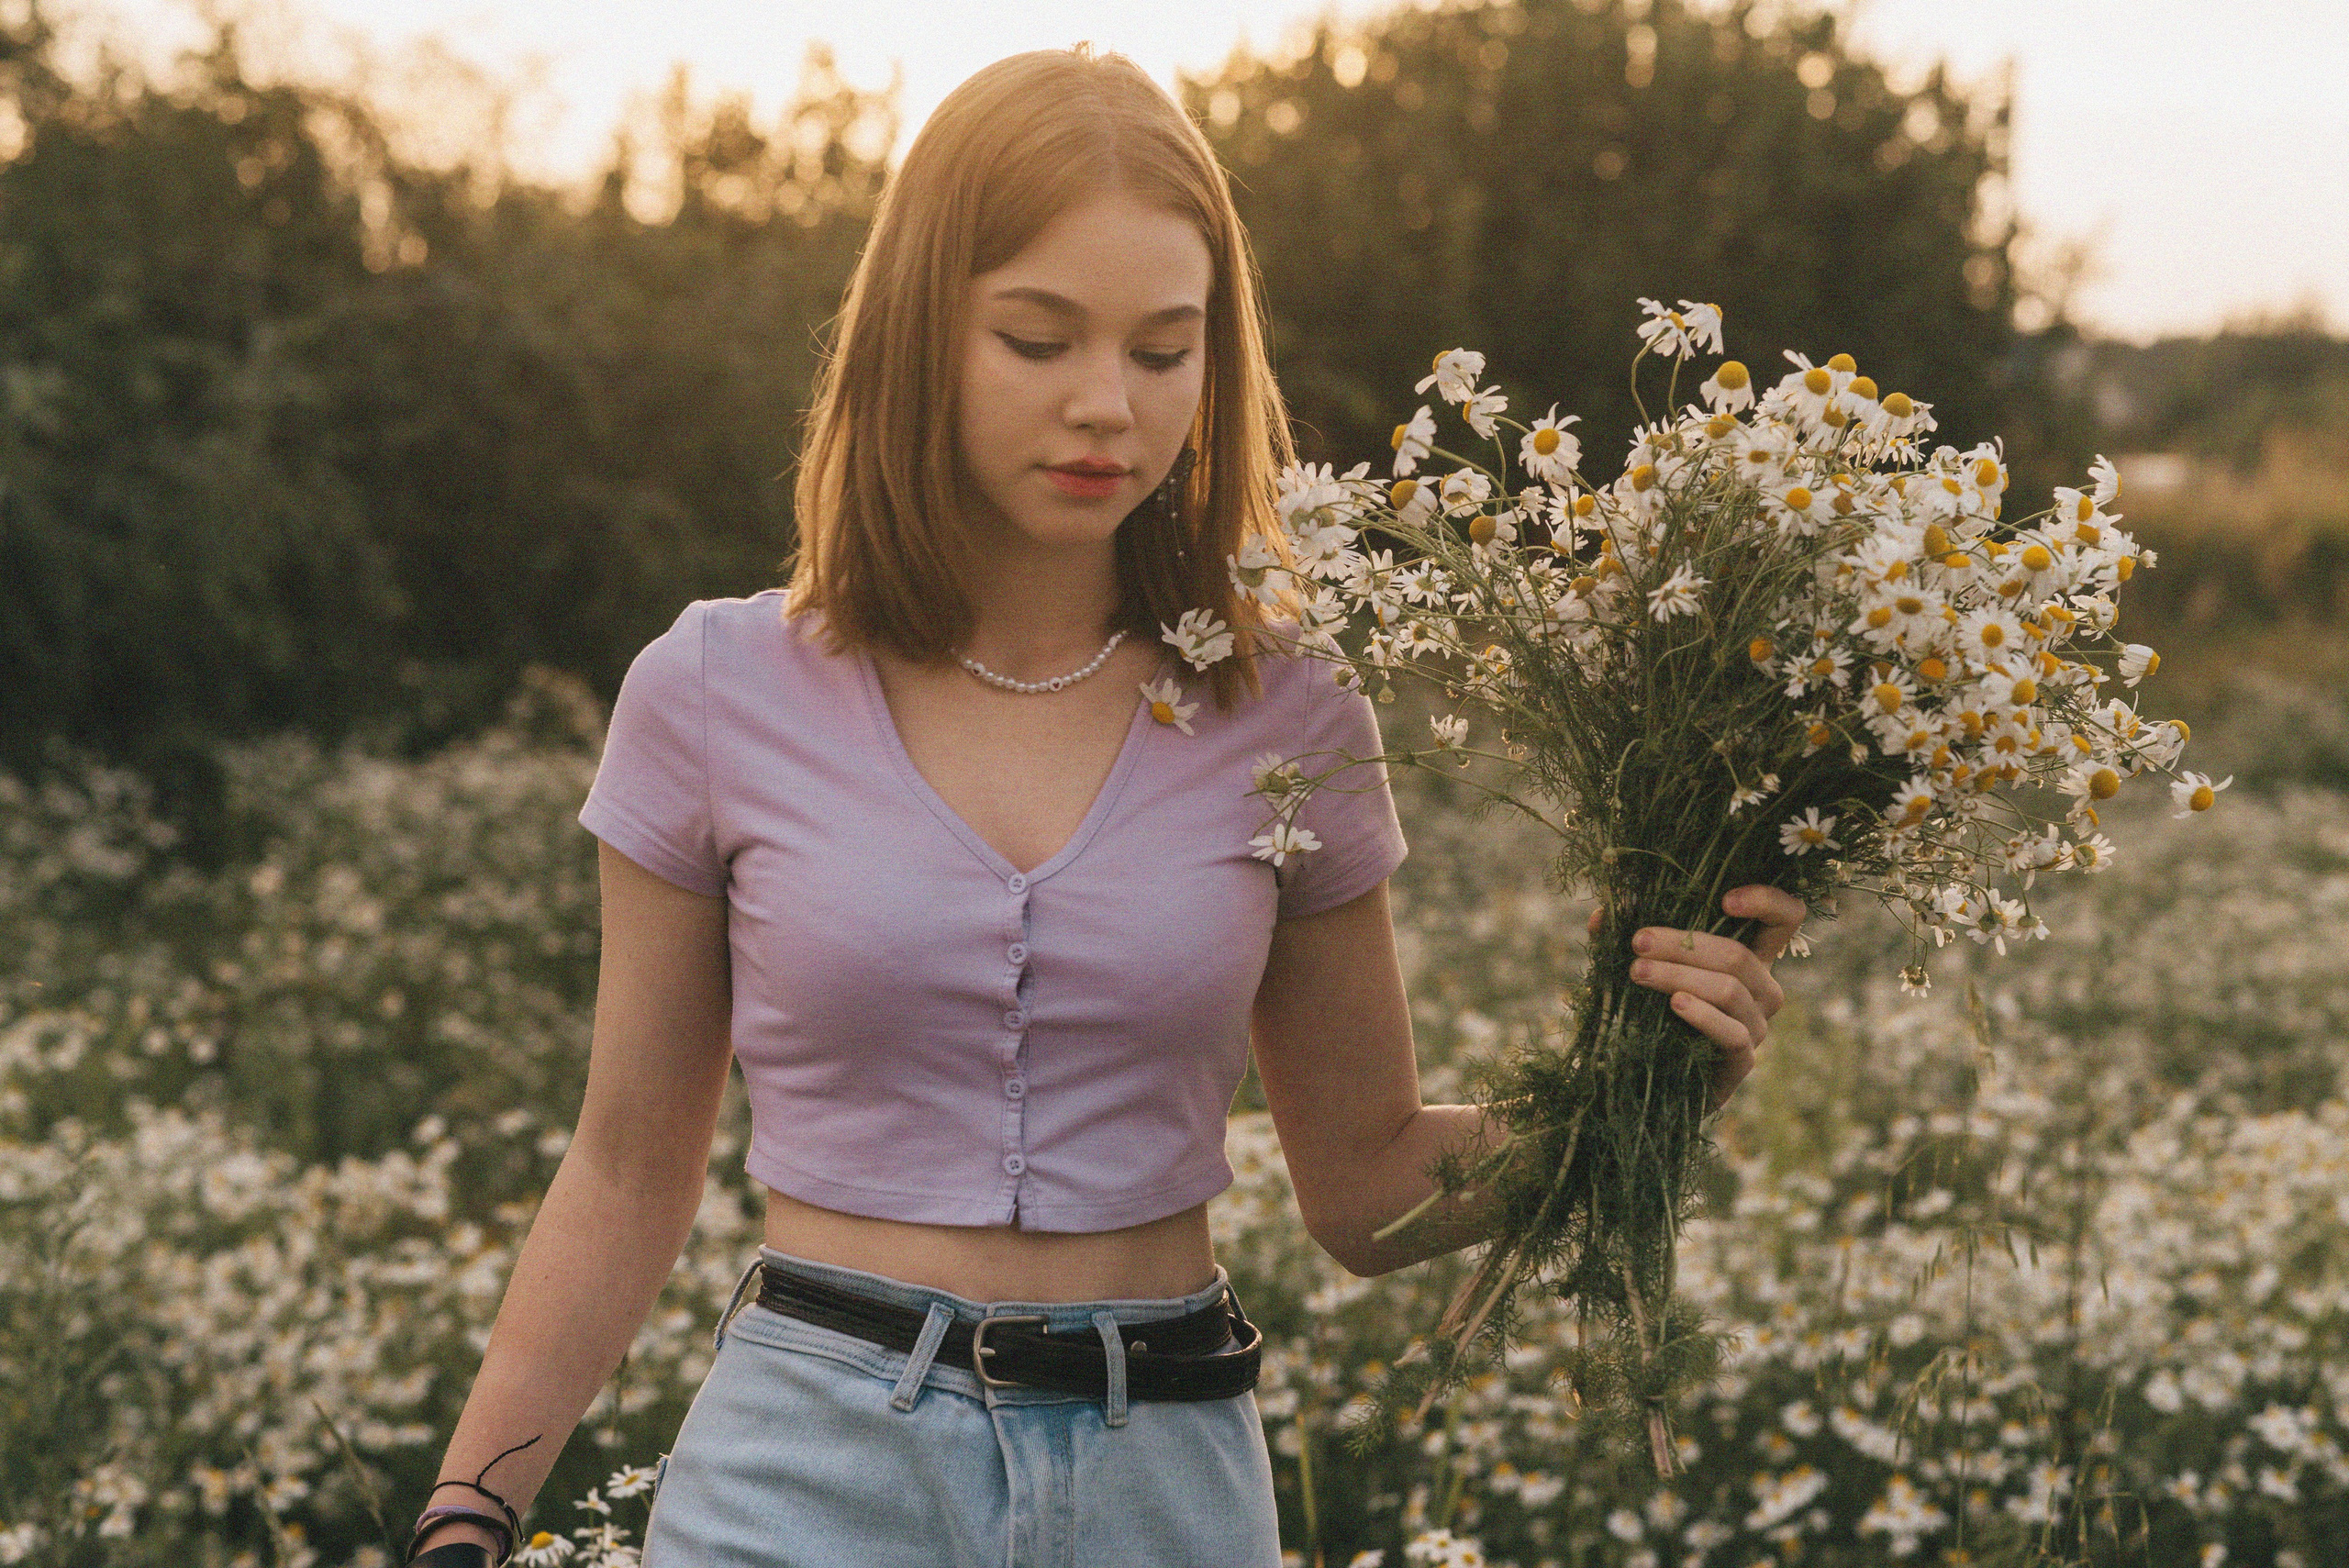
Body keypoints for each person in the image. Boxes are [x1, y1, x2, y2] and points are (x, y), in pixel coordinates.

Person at [402, 45, 1806, 1568]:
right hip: (805, 1480)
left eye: (1161, 350)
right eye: (1036, 337)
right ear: (919, 335)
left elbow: (1367, 1185)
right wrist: (468, 1513)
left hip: (1165, 1485)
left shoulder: (1291, 711)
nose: (1105, 407)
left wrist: (1650, 1079)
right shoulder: (712, 689)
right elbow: (626, 1169)